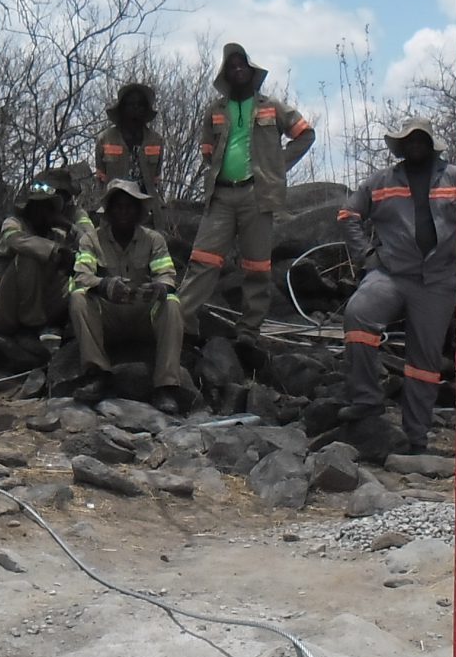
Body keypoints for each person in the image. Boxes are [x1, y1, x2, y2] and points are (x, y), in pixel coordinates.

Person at [179, 42, 313, 347]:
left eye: (243, 66)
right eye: (232, 67)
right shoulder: (215, 110)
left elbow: (305, 134)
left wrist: (278, 162)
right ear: (226, 74)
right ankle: (181, 320)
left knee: (257, 266)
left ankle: (249, 332)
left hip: (258, 195)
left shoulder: (272, 106)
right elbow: (206, 149)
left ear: (251, 72)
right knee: (203, 259)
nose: (238, 70)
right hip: (222, 195)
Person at [339, 116, 456, 455]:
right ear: (401, 146)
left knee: (425, 360)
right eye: (409, 140)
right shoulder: (380, 181)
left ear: (430, 144)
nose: (415, 145)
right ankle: (366, 399)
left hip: (438, 280)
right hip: (390, 273)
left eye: (421, 139)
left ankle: (416, 438)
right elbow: (347, 215)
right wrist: (366, 255)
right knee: (359, 315)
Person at [71, 178, 190, 413]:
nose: (123, 212)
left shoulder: (154, 239)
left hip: (143, 316)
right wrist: (104, 285)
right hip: (109, 317)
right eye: (118, 207)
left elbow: (167, 275)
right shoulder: (90, 239)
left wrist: (159, 288)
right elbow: (81, 276)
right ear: (109, 211)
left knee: (173, 303)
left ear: (138, 211)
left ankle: (165, 386)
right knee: (78, 297)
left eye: (129, 207)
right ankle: (98, 375)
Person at [0, 176, 78, 370]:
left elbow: (83, 247)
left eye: (47, 208)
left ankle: (67, 329)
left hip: (43, 304)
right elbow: (16, 241)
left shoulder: (57, 234)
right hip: (3, 307)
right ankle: (29, 329)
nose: (42, 213)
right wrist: (55, 251)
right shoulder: (13, 224)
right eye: (38, 207)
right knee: (29, 257)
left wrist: (68, 227)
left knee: (77, 272)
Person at [92, 81, 166, 222]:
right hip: (113, 207)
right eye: (130, 104)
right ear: (122, 108)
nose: (135, 108)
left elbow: (156, 177)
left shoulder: (156, 140)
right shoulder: (105, 138)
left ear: (145, 110)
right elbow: (100, 178)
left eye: (140, 105)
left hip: (146, 208)